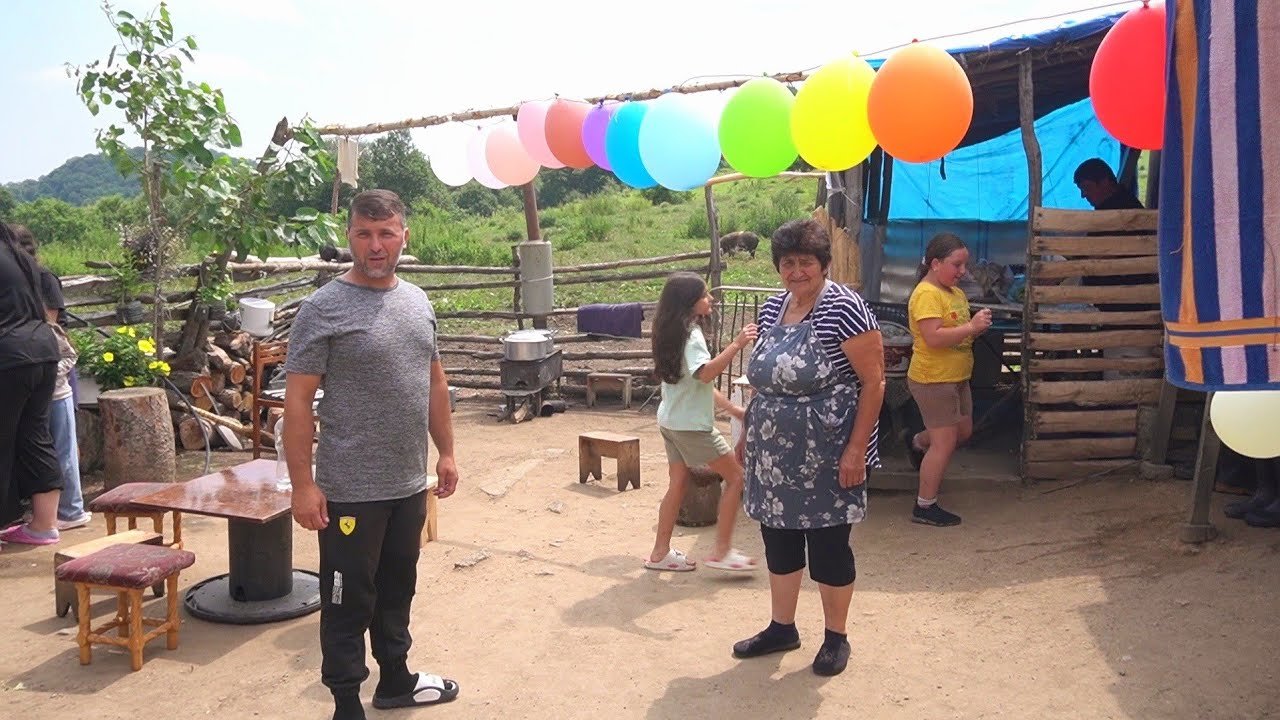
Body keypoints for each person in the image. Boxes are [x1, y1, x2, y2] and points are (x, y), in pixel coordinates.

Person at [284, 190, 460, 720]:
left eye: (386, 234)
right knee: (346, 599)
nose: (376, 245)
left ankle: (396, 680)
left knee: (397, 588)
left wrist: (446, 452)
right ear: (350, 237)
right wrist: (303, 485)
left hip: (407, 483)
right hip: (351, 491)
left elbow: (434, 382)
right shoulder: (323, 308)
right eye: (364, 234)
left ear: (405, 235)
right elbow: (297, 402)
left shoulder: (418, 301)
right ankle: (346, 702)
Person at [733, 218, 885, 677]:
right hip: (773, 455)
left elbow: (874, 382)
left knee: (828, 546)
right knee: (778, 541)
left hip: (829, 451)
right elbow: (764, 383)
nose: (796, 272)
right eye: (787, 263)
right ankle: (782, 628)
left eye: (805, 262)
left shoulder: (845, 308)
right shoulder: (772, 308)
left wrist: (856, 450)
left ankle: (836, 637)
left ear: (824, 264)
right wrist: (747, 436)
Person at [645, 272, 758, 573]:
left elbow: (697, 382)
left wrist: (733, 410)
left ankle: (660, 553)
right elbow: (706, 374)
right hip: (692, 427)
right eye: (705, 295)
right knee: (737, 478)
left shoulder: (669, 332)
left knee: (678, 483)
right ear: (689, 301)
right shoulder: (692, 335)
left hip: (670, 421)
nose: (711, 299)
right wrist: (737, 345)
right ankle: (722, 551)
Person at [902, 233, 992, 527]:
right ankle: (924, 506)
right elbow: (933, 338)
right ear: (935, 263)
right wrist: (971, 327)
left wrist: (974, 328)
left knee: (963, 431)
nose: (963, 271)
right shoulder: (927, 294)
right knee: (945, 441)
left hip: (957, 377)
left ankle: (917, 442)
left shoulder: (955, 293)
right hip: (934, 379)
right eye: (957, 264)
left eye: (965, 264)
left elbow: (957, 331)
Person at [13, 224, 90, 530]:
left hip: (55, 370)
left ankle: (71, 510)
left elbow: (49, 324)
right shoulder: (22, 278)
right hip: (39, 365)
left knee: (63, 444)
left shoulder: (44, 278)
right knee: (46, 443)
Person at [0, 222, 62, 547]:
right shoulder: (16, 254)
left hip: (8, 355)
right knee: (35, 436)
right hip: (42, 349)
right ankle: (44, 526)